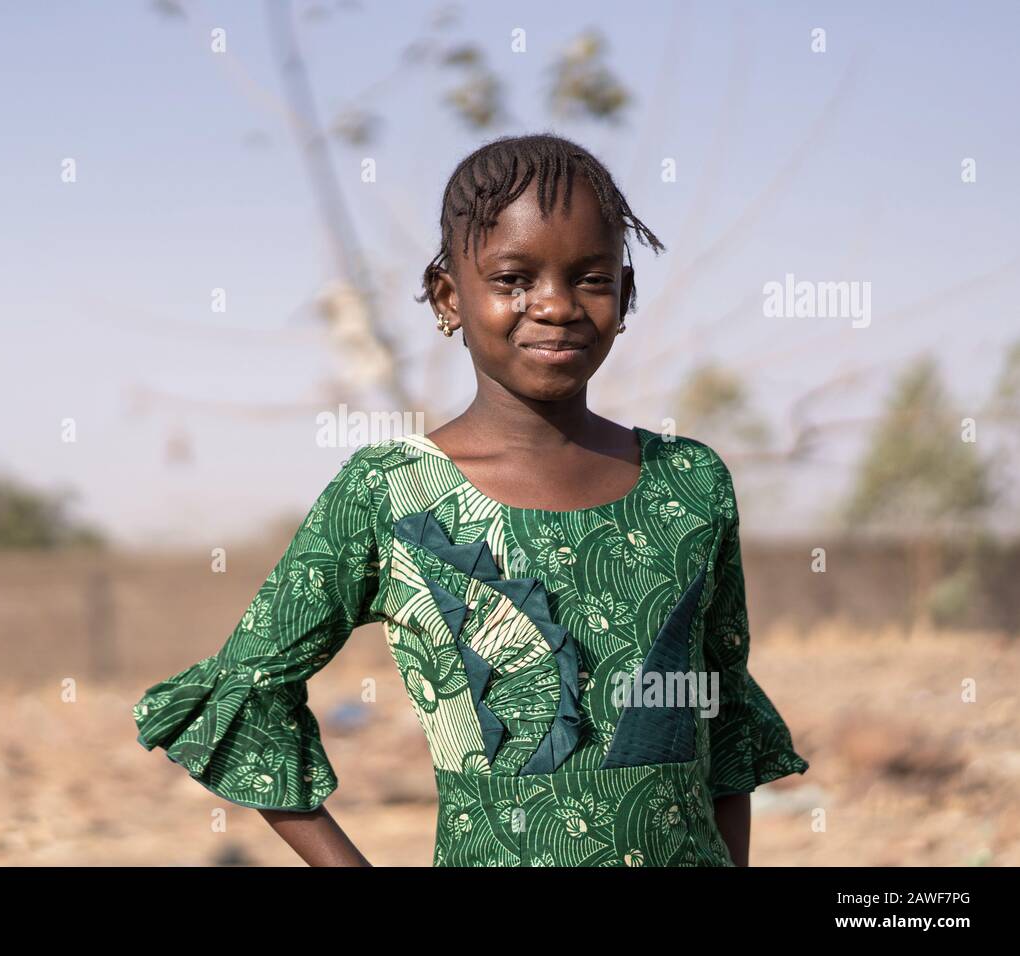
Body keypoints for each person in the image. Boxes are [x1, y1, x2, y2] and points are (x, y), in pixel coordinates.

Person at [132, 132, 809, 867]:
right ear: (450, 297)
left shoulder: (689, 484)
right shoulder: (392, 493)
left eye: (590, 278)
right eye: (514, 278)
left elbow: (723, 719)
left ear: (625, 293)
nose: (554, 305)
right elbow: (242, 692)